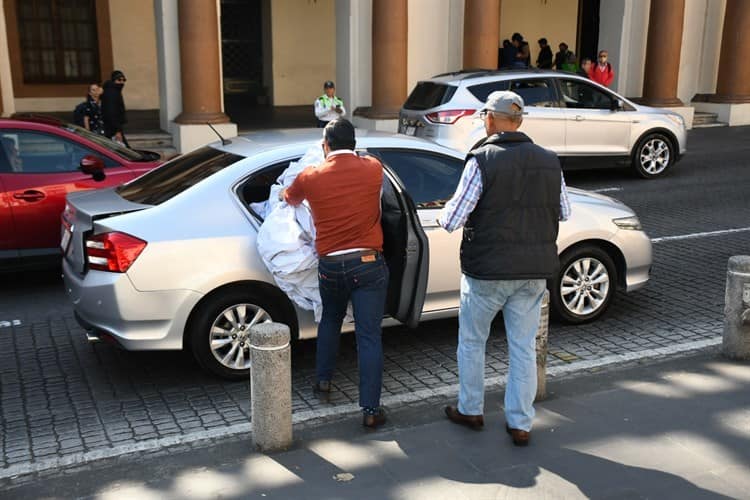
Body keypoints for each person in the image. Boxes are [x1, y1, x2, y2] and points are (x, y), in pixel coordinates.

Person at [438, 91, 571, 447]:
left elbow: (452, 219)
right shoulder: (549, 161)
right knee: (523, 348)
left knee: (472, 341)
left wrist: (440, 212)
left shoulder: (482, 160)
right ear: (520, 120)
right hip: (533, 272)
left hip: (486, 272)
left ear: (491, 120)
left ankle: (471, 409)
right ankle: (520, 423)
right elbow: (564, 211)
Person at [282, 118, 389, 429]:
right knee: (369, 336)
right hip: (368, 262)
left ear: (324, 145)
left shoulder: (311, 176)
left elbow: (289, 198)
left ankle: (323, 381)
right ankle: (371, 410)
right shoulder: (373, 168)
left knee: (330, 319)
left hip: (330, 265)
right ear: (353, 144)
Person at [101, 70, 129, 146]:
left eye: (124, 80)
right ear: (113, 80)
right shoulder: (112, 93)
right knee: (123, 152)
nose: (122, 82)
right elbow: (111, 112)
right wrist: (117, 131)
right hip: (112, 129)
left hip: (112, 127)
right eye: (119, 80)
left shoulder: (113, 90)